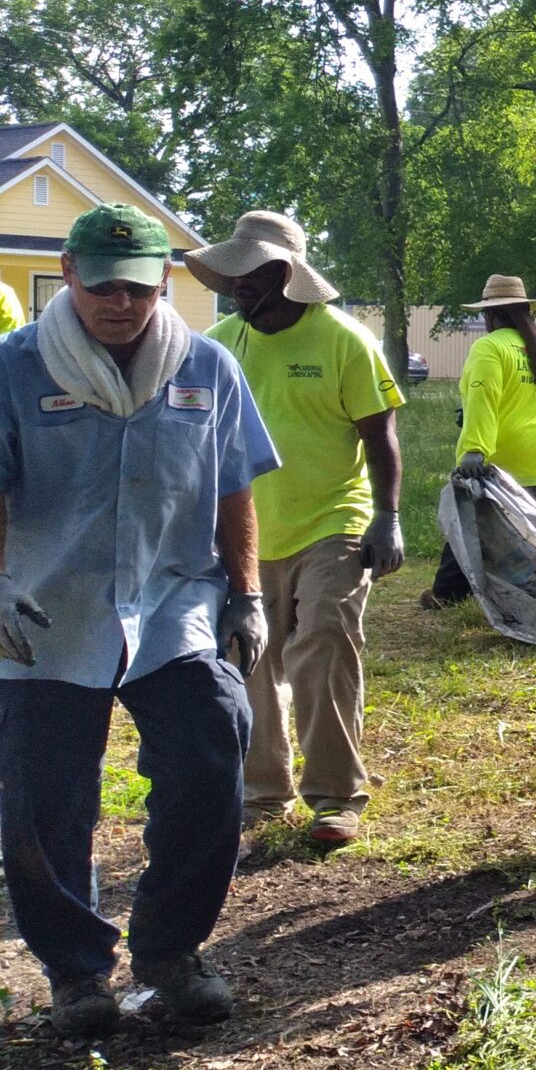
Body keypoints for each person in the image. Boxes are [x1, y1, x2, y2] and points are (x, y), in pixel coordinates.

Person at [0, 204, 277, 1038]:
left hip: (172, 604)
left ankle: (170, 952)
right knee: (44, 802)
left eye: (137, 284)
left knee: (209, 752)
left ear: (163, 279)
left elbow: (233, 485)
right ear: (72, 275)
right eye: (102, 283)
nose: (119, 301)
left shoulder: (206, 365)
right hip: (46, 610)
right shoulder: (15, 366)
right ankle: (77, 974)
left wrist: (248, 591)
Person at [194, 212, 405, 850]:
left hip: (332, 520)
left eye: (250, 273)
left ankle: (336, 796)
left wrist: (388, 516)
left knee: (322, 640)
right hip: (246, 529)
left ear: (285, 274)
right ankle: (263, 791)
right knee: (248, 656)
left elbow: (381, 437)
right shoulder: (219, 343)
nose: (237, 286)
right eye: (231, 275)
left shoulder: (343, 340)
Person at [421, 275, 536, 610]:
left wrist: (475, 449)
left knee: (469, 524)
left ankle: (448, 593)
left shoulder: (488, 347)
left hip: (508, 455)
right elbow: (535, 400)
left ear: (490, 315)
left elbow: (484, 397)